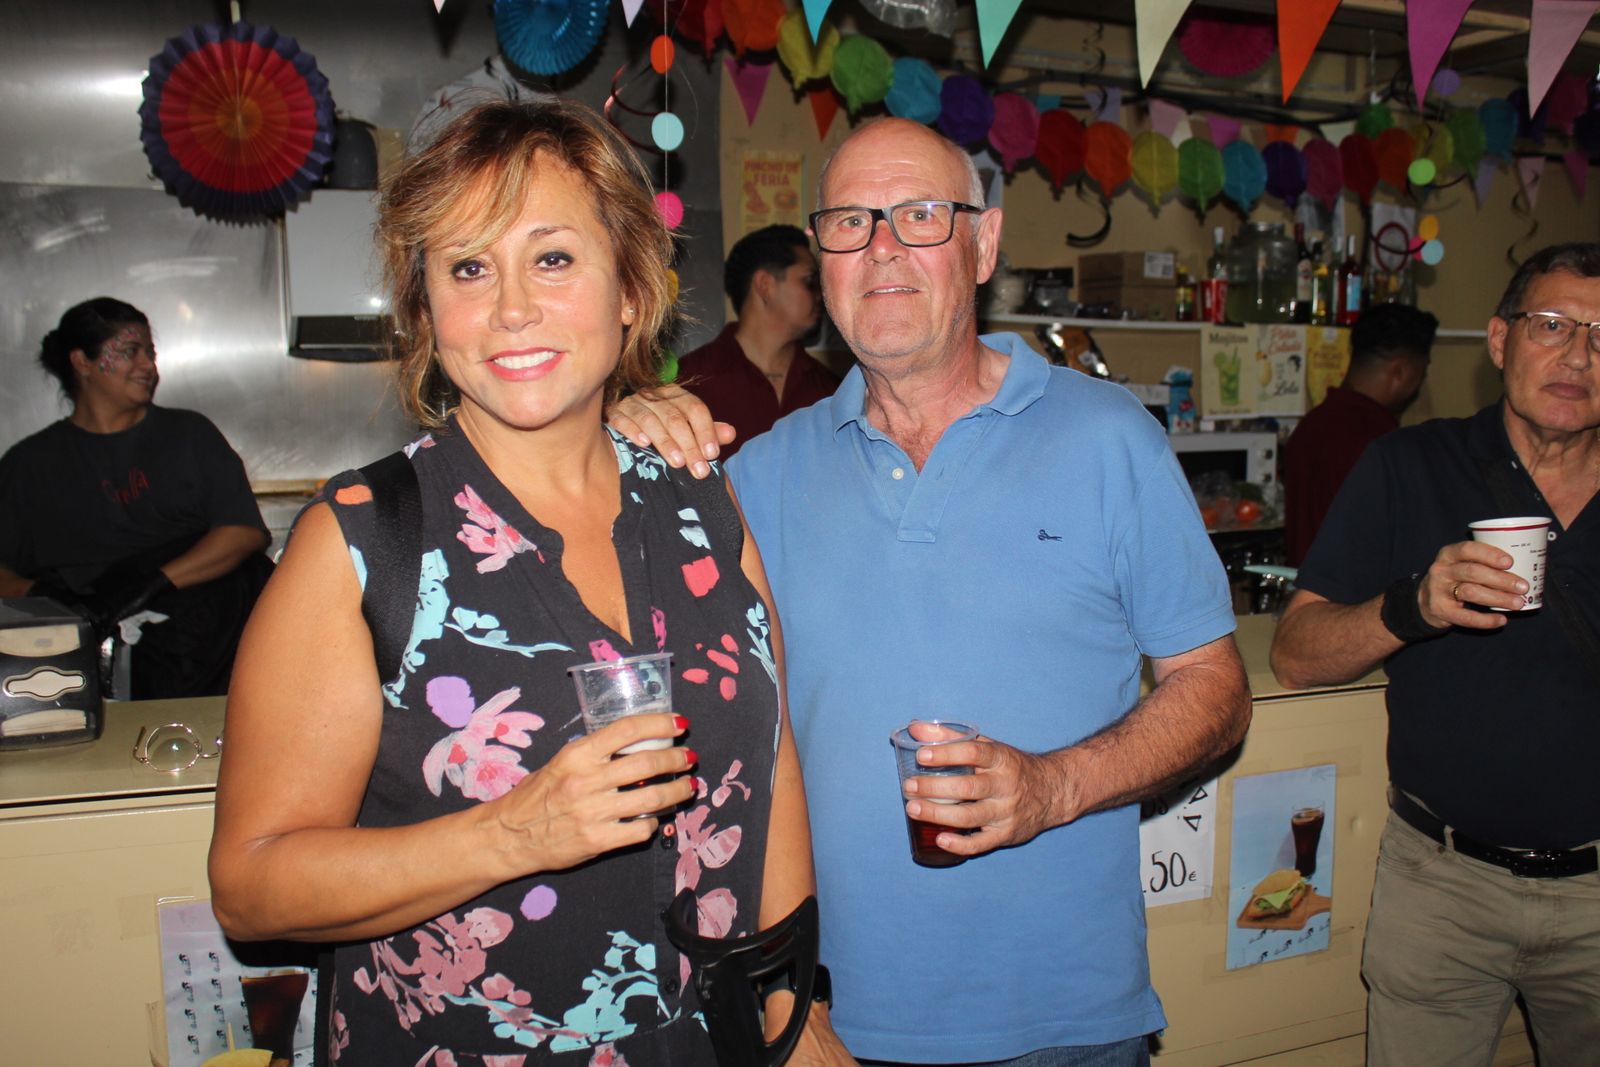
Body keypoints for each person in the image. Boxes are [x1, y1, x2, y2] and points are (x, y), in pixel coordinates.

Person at [207, 100, 852, 1066]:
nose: (510, 308)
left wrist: (793, 1007)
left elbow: (770, 762)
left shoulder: (701, 501)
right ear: (427, 310)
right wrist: (514, 833)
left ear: (631, 289)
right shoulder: (362, 541)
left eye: (552, 258)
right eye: (468, 268)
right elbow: (252, 887)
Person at [611, 118, 1251, 1065]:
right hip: (835, 1023)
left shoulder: (1109, 438)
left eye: (919, 215)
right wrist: (615, 429)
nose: (881, 249)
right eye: (850, 222)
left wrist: (1053, 786)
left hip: (1065, 1022)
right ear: (823, 260)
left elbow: (1216, 690)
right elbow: (677, 709)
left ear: (983, 245)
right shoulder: (758, 475)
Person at [1270, 243, 1600, 1066]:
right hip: (1443, 889)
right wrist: (1412, 605)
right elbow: (1296, 656)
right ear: (1500, 340)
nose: (1578, 355)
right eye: (1552, 325)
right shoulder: (1408, 463)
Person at [0, 297, 272, 698]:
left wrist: (150, 585)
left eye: (150, 353)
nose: (149, 366)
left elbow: (243, 532)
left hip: (203, 639)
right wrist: (51, 597)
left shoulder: (189, 435)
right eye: (130, 351)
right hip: (80, 655)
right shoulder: (30, 463)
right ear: (82, 362)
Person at [1282, 302, 1438, 564]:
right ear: (1400, 371)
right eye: (1422, 372)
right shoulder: (1381, 444)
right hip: (1353, 589)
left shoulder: (1310, 426)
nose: (1420, 384)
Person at [675, 224, 837, 456]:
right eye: (810, 281)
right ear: (765, 286)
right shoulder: (688, 384)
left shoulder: (833, 390)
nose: (821, 294)